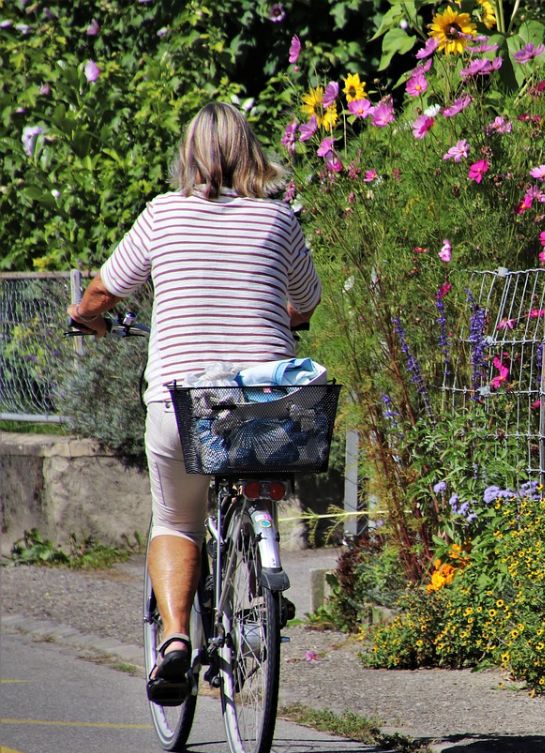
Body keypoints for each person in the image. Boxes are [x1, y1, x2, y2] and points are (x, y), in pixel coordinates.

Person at [67, 102, 321, 705]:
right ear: (251, 151)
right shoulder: (278, 219)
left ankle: (176, 641)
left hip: (185, 403)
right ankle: (260, 574)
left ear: (191, 154)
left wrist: (84, 315)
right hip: (266, 405)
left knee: (177, 519)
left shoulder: (163, 215)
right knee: (255, 475)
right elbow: (305, 304)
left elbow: (105, 288)